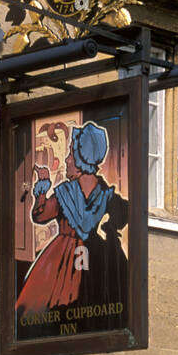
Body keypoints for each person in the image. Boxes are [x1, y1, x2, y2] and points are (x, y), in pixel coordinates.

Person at [15, 121, 128, 319]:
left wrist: (42, 185)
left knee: (35, 310)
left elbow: (39, 215)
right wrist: (109, 228)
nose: (66, 160)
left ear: (80, 161)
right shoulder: (106, 194)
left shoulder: (64, 193)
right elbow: (125, 214)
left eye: (70, 155)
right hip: (97, 256)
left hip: (63, 257)